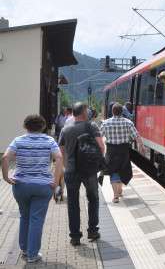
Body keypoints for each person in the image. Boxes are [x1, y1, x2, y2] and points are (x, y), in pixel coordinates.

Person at [1, 114, 63, 263]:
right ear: (42, 126)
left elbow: (5, 158)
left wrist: (5, 177)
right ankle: (33, 254)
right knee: (36, 219)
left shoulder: (18, 140)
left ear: (25, 126)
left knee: (24, 216)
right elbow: (59, 158)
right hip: (43, 186)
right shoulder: (49, 140)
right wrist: (55, 181)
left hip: (21, 185)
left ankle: (24, 248)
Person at [58, 102, 105, 246]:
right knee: (93, 199)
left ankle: (75, 237)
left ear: (73, 113)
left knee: (72, 203)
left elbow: (61, 150)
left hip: (71, 170)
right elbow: (101, 146)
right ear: (84, 112)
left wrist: (66, 165)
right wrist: (96, 163)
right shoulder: (91, 126)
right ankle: (92, 231)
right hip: (89, 170)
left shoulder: (66, 129)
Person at [100, 103, 145, 203]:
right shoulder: (128, 123)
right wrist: (141, 146)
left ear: (112, 111)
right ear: (122, 111)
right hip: (124, 151)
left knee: (113, 171)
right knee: (122, 169)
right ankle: (118, 192)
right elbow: (136, 136)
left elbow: (99, 137)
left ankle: (116, 195)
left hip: (111, 151)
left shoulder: (106, 123)